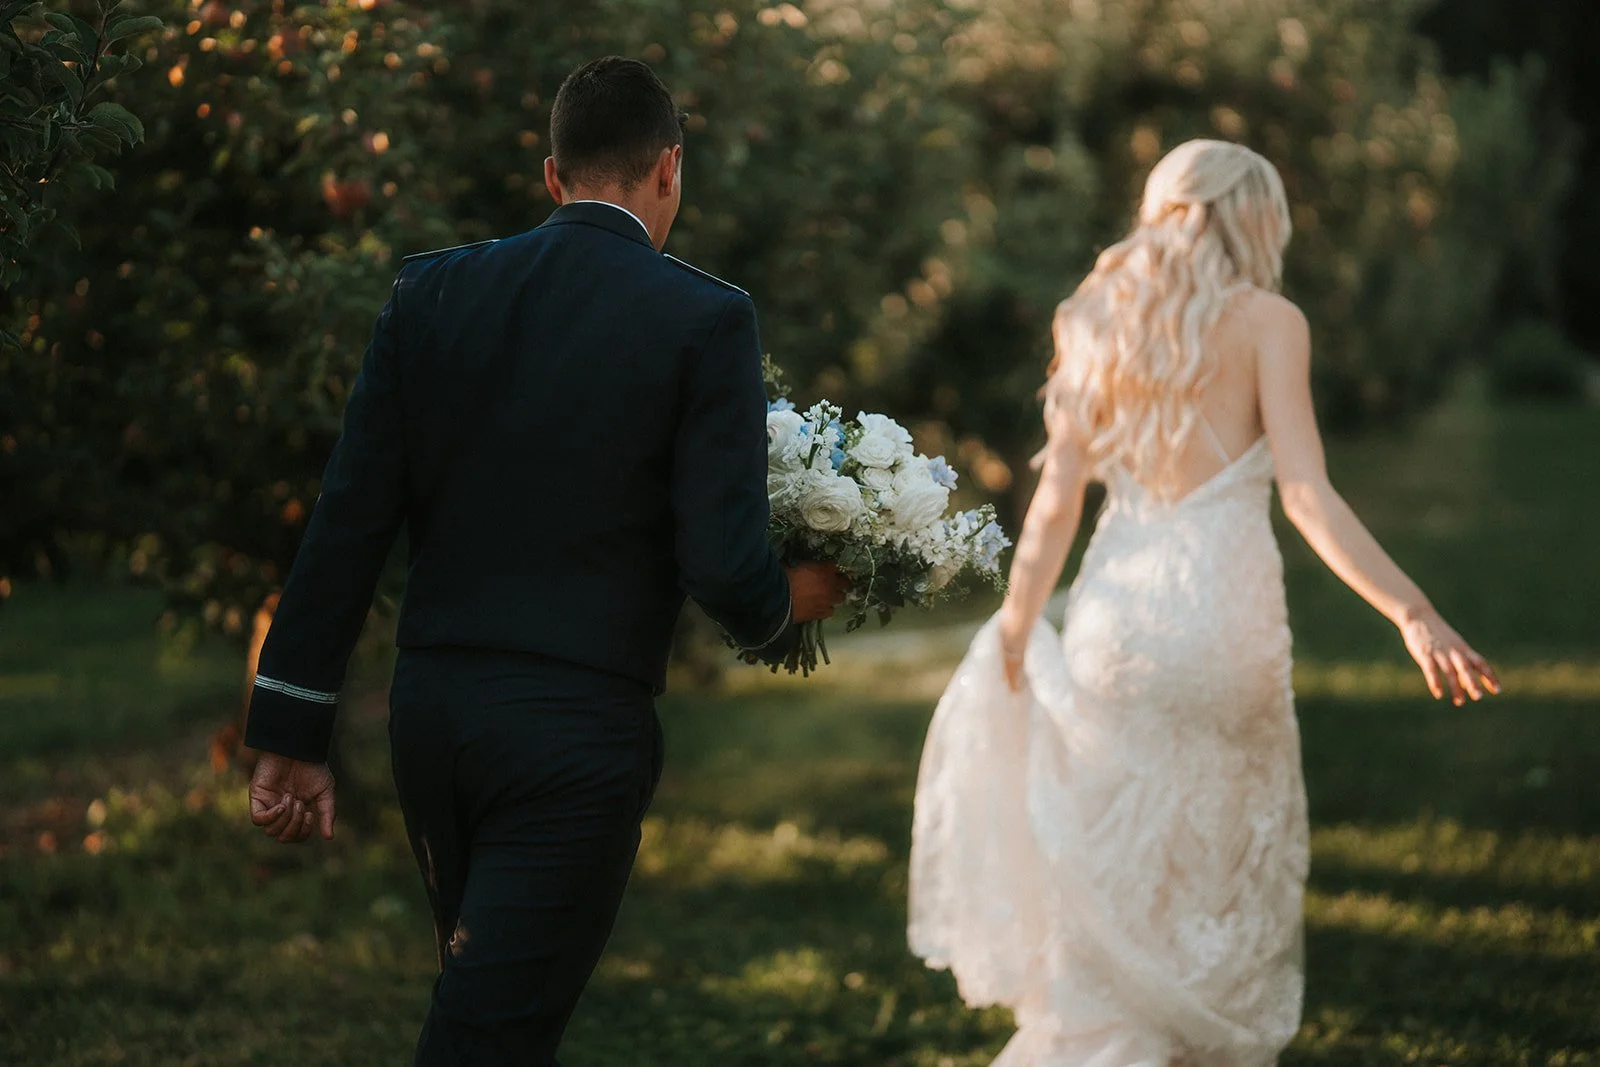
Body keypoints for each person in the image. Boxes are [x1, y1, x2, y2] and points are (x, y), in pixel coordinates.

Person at [241, 56, 847, 1066]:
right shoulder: (705, 318)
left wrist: (291, 727)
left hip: (431, 719)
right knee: (489, 1032)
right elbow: (727, 573)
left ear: (553, 176)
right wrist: (798, 595)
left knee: (488, 1005)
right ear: (670, 169)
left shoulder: (429, 294)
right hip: (573, 737)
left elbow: (346, 522)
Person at [907, 139, 1499, 1066]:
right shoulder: (1270, 322)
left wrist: (1020, 627)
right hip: (1225, 616)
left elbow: (1056, 500)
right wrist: (1411, 609)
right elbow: (1308, 494)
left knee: (1124, 854)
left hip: (1121, 619)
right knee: (1219, 859)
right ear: (1251, 216)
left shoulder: (1093, 313)